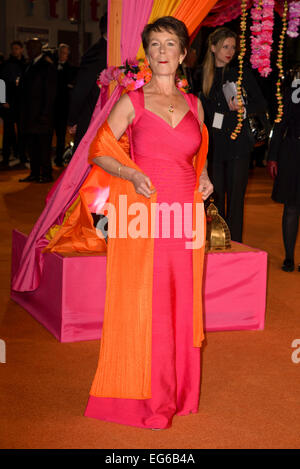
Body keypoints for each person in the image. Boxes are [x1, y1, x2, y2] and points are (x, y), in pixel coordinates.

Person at [44, 16, 213, 429]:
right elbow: (99, 152)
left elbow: (198, 154)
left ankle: (180, 392)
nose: (162, 52)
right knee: (148, 303)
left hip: (186, 219)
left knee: (182, 301)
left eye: (170, 44)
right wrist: (132, 174)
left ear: (183, 54)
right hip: (144, 215)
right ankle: (150, 398)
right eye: (154, 45)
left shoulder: (194, 104)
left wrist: (205, 177)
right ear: (146, 53)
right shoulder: (131, 102)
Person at [193, 27, 267, 242]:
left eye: (233, 47)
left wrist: (243, 108)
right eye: (225, 46)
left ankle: (235, 244)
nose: (230, 51)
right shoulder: (201, 75)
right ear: (213, 47)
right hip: (213, 146)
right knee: (214, 198)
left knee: (236, 200)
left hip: (238, 144)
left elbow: (261, 103)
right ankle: (217, 241)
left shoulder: (240, 73)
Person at [267, 79, 300, 272]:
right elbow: (279, 126)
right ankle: (289, 257)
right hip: (292, 152)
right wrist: (273, 157)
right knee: (291, 207)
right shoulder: (293, 88)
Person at [18, 38, 57, 183]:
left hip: (41, 116)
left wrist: (45, 114)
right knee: (33, 147)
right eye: (28, 48)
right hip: (29, 115)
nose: (29, 50)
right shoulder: (29, 65)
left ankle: (46, 174)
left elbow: (50, 93)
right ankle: (34, 173)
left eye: (31, 47)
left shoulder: (47, 66)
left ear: (38, 48)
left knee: (43, 148)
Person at [67, 13, 107, 151]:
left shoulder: (114, 50)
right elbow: (81, 89)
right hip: (93, 117)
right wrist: (73, 120)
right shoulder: (96, 53)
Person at [0, 40, 26, 170]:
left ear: (21, 49)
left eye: (17, 48)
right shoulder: (7, 64)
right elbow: (1, 83)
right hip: (9, 104)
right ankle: (5, 158)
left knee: (22, 132)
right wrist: (3, 100)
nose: (15, 51)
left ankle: (21, 157)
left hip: (21, 104)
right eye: (13, 48)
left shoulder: (25, 64)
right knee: (8, 133)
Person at [53, 44, 75, 167]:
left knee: (61, 135)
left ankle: (59, 159)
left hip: (63, 107)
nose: (62, 55)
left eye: (65, 53)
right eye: (61, 52)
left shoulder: (71, 68)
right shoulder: (51, 66)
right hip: (51, 106)